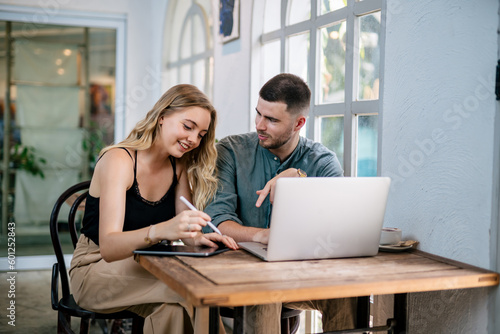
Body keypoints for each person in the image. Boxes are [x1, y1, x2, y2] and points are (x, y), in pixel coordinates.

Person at [69, 84, 238, 334]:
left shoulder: (177, 167)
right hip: (94, 270)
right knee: (189, 288)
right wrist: (162, 230)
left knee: (175, 308)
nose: (193, 139)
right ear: (162, 118)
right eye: (187, 126)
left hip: (146, 265)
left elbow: (182, 229)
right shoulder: (120, 160)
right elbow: (109, 247)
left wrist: (199, 239)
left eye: (201, 134)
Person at [204, 73, 356, 333]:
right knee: (264, 291)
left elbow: (343, 227)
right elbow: (215, 224)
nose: (260, 125)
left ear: (299, 123)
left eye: (272, 119)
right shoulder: (231, 151)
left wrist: (300, 178)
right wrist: (264, 236)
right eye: (258, 114)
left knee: (347, 294)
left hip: (303, 276)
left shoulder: (322, 162)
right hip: (242, 275)